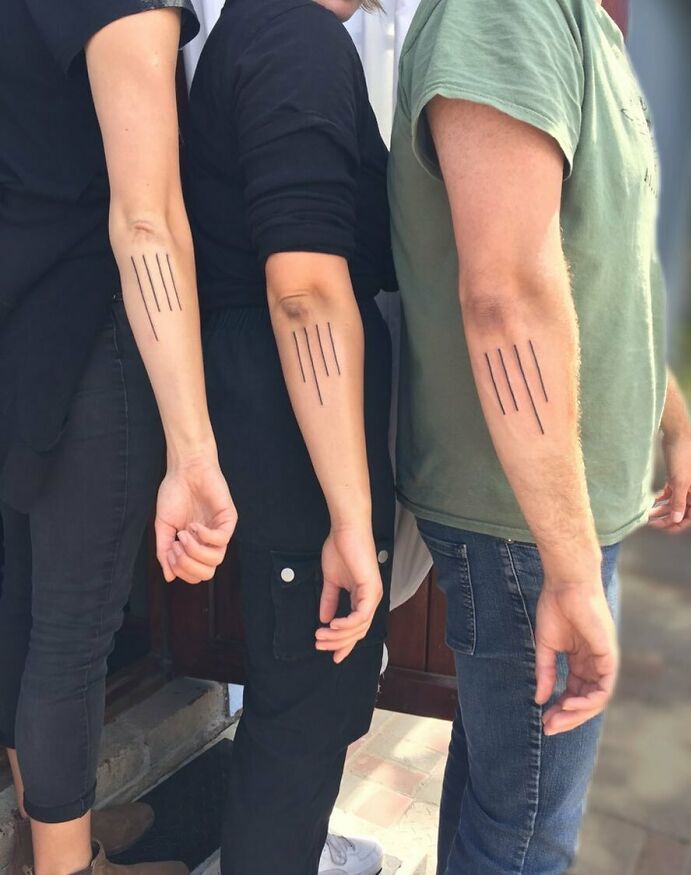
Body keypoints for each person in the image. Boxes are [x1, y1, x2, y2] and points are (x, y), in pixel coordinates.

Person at [388, 0, 691, 873]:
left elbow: (608, 265)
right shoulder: (505, 13)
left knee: (504, 791)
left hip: (546, 510)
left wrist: (672, 422)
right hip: (521, 517)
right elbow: (507, 296)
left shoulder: (586, 22)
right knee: (528, 832)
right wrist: (568, 568)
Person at [0, 3, 237, 875]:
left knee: (25, 612)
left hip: (22, 313)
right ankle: (69, 867)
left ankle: (53, 841)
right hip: (91, 334)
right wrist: (194, 448)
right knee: (70, 631)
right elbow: (147, 219)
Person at [183, 1, 395, 873]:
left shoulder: (261, 29)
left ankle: (286, 847)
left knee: (304, 687)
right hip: (292, 425)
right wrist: (350, 516)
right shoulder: (294, 39)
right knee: (303, 698)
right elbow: (304, 289)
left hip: (278, 410)